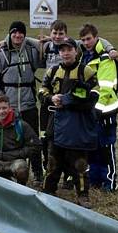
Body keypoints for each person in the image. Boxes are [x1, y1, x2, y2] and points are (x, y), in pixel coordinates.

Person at [39, 36, 99, 208]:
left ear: (76, 51)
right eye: (62, 50)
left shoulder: (85, 70)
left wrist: (72, 100)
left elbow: (95, 93)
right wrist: (51, 98)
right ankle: (48, 190)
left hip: (78, 123)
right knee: (52, 159)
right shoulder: (52, 71)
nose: (65, 53)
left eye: (69, 49)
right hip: (56, 121)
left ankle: (83, 195)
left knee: (80, 162)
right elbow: (42, 90)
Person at [0, 21, 44, 182]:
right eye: (14, 33)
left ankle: (38, 173)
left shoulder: (31, 51)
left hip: (29, 104)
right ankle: (10, 172)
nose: (18, 35)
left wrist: (36, 41)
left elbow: (46, 54)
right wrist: (2, 100)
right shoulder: (2, 54)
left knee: (33, 140)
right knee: (11, 141)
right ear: (9, 34)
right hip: (11, 107)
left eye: (21, 33)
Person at [79, 23, 118, 191]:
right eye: (83, 40)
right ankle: (96, 178)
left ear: (96, 37)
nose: (86, 42)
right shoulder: (84, 56)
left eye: (89, 39)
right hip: (90, 109)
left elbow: (106, 87)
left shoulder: (105, 58)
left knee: (106, 145)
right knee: (93, 145)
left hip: (106, 108)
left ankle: (110, 181)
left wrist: (98, 110)